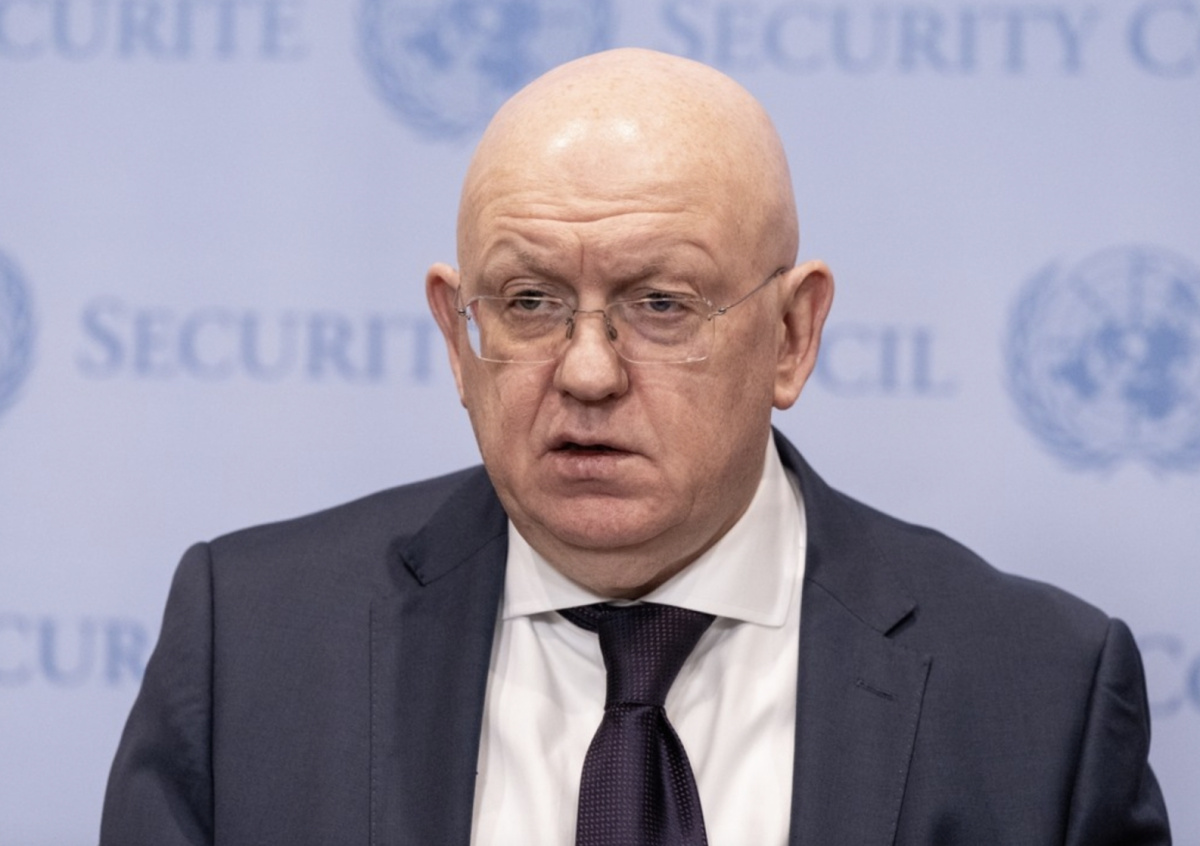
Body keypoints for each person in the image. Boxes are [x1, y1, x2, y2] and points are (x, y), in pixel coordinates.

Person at [100, 48, 1171, 845]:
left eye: (662, 303)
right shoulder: (253, 648)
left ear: (792, 336)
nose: (587, 371)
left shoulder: (1040, 697)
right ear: (457, 337)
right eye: (528, 301)